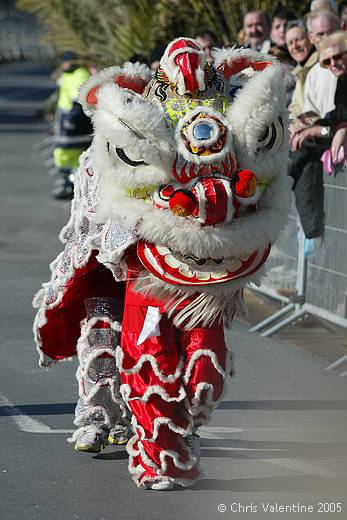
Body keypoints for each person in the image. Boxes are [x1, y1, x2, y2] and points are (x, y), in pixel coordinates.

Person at [34, 39, 290, 490]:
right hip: (136, 253)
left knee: (203, 356)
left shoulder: (227, 114)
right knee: (124, 332)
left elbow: (255, 170)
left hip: (205, 255)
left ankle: (180, 425)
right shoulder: (135, 117)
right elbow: (105, 192)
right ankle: (120, 425)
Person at [289, 30, 347, 238]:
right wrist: (302, 126)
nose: (334, 64)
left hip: (327, 140)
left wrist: (321, 130)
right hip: (325, 137)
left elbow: (333, 125)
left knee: (304, 148)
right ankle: (311, 229)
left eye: (339, 57)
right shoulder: (340, 82)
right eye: (327, 62)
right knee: (301, 152)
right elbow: (333, 117)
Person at [52, 51, 93, 200]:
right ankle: (71, 183)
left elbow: (78, 99)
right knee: (66, 155)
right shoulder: (69, 74)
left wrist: (71, 119)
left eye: (64, 61)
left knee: (67, 153)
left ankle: (73, 185)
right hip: (67, 121)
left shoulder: (79, 74)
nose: (62, 64)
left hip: (74, 123)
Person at [285, 20, 315, 121]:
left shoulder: (322, 65)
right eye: (290, 43)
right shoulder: (300, 71)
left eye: (298, 39)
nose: (295, 47)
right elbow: (295, 107)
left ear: (310, 38)